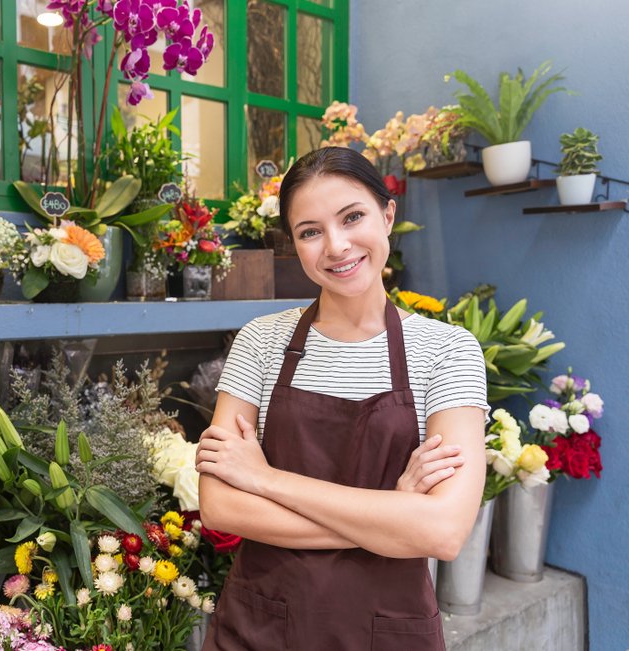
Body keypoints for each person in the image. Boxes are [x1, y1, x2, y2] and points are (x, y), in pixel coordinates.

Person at [196, 146, 489, 651]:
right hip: (260, 627)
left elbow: (442, 532)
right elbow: (222, 507)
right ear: (294, 243)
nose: (336, 245)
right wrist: (394, 516)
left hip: (387, 631)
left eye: (352, 217)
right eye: (310, 231)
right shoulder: (260, 342)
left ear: (387, 215)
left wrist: (265, 480)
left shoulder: (447, 352)